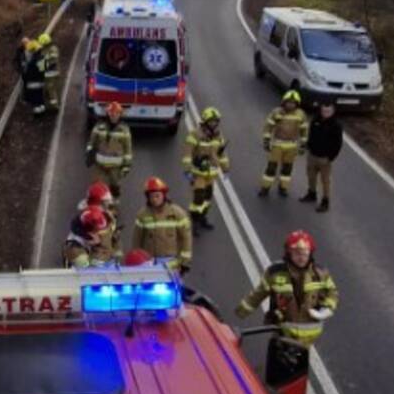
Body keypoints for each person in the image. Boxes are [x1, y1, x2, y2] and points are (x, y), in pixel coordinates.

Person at [235, 230, 338, 348]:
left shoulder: (321, 273)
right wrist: (241, 312)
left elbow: (332, 292)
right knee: (277, 362)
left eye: (305, 253)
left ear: (310, 253)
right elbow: (259, 293)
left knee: (300, 363)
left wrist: (327, 308)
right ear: (289, 253)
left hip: (310, 335)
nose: (301, 257)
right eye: (297, 253)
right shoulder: (275, 273)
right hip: (283, 332)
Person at [182, 106, 230, 237]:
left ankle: (203, 218)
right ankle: (195, 222)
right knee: (198, 198)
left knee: (208, 198)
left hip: (211, 174)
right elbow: (187, 153)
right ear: (205, 121)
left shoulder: (219, 136)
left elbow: (222, 155)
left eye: (216, 121)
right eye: (211, 121)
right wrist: (187, 170)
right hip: (198, 174)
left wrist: (226, 169)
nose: (214, 124)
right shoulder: (195, 135)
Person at [131, 176, 192, 274]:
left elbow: (186, 238)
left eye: (157, 196)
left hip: (172, 264)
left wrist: (185, 262)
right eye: (151, 196)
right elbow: (137, 240)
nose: (154, 199)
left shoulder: (177, 214)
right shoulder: (142, 215)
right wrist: (136, 260)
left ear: (164, 195)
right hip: (149, 263)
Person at [259, 90, 309, 198]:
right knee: (271, 167)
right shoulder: (277, 112)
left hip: (292, 146)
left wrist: (303, 145)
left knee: (287, 169)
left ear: (297, 104)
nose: (290, 104)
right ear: (284, 102)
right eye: (288, 102)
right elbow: (268, 127)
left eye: (293, 102)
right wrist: (266, 140)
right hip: (277, 144)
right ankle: (265, 188)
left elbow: (304, 130)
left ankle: (283, 187)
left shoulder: (301, 115)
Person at [299, 101, 342, 213]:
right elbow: (311, 135)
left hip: (325, 159)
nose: (325, 113)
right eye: (324, 111)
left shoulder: (336, 125)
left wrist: (330, 157)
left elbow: (338, 144)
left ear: (333, 111)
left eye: (328, 111)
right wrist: (308, 147)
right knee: (311, 176)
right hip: (312, 155)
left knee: (325, 181)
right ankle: (312, 193)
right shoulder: (315, 121)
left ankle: (325, 201)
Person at [86, 102, 133, 199]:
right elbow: (91, 142)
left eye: (116, 113)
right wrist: (89, 155)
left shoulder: (124, 129)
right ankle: (98, 205)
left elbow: (127, 149)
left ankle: (113, 206)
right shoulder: (99, 126)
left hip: (115, 166)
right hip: (100, 165)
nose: (114, 115)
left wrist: (126, 166)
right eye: (111, 113)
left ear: (120, 114)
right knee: (97, 186)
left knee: (114, 186)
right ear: (108, 113)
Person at [22, 39, 46, 115]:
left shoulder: (32, 62)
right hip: (40, 81)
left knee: (35, 101)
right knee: (40, 98)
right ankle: (42, 111)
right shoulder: (42, 58)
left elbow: (27, 73)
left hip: (33, 83)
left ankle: (38, 114)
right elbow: (43, 69)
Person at [37, 33, 60, 111]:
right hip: (48, 73)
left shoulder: (52, 49)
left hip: (52, 73)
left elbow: (53, 58)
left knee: (52, 90)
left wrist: (45, 60)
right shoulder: (44, 50)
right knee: (50, 90)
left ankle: (55, 106)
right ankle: (51, 104)